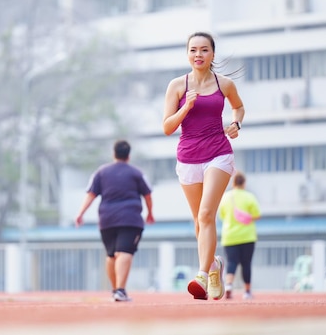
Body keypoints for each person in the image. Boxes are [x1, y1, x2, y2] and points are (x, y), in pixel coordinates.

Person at [162, 31, 245, 301]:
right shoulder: (177, 85)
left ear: (212, 54)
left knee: (207, 214)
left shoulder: (225, 84)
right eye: (194, 50)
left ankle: (200, 274)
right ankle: (213, 267)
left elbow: (238, 107)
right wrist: (185, 108)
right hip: (188, 157)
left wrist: (236, 123)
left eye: (204, 50)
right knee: (199, 220)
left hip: (218, 154)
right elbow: (167, 127)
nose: (199, 54)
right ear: (187, 54)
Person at [74, 140, 154, 302]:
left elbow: (90, 194)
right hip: (130, 218)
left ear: (114, 153)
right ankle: (120, 290)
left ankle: (116, 290)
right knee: (124, 252)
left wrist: (80, 213)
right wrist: (150, 213)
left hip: (107, 219)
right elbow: (147, 195)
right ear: (128, 155)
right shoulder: (137, 173)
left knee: (111, 255)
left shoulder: (101, 172)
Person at [219, 172, 261, 300]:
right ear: (244, 183)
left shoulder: (225, 198)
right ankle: (247, 292)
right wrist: (247, 217)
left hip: (229, 236)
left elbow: (221, 216)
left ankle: (229, 286)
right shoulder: (249, 197)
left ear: (233, 183)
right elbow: (257, 215)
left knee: (231, 262)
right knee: (246, 264)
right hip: (247, 236)